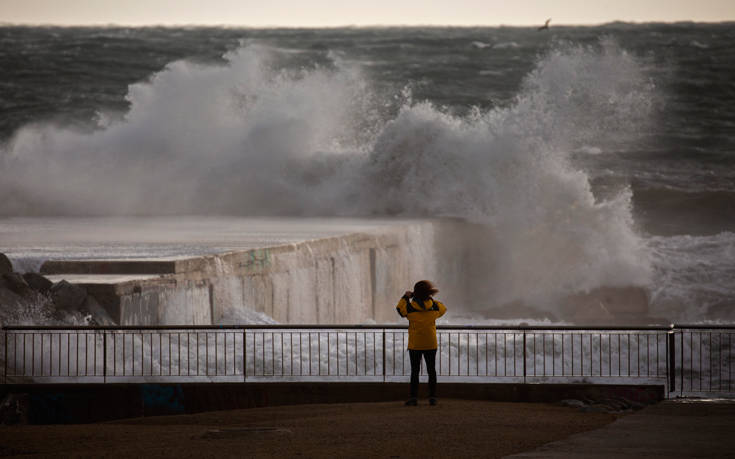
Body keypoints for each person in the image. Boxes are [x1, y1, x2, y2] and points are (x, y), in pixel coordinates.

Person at [395, 280, 447, 406]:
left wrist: (405, 297)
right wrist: (430, 298)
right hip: (431, 343)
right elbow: (443, 308)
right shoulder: (434, 307)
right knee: (431, 371)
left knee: (415, 371)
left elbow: (399, 310)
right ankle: (433, 397)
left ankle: (413, 398)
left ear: (415, 293)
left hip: (415, 344)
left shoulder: (410, 307)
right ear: (429, 293)